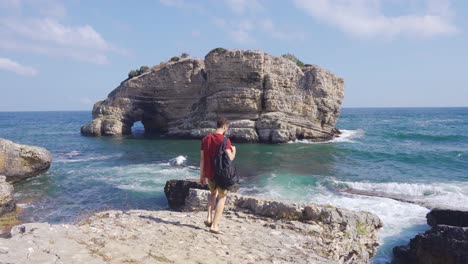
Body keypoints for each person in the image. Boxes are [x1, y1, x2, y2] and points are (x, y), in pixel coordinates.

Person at [200, 117, 236, 234]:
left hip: (209, 173)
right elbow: (230, 158)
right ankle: (214, 225)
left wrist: (202, 175)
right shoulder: (225, 140)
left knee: (212, 193)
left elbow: (202, 159)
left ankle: (209, 217)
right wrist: (234, 151)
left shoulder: (206, 139)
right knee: (222, 197)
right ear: (225, 127)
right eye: (227, 128)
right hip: (222, 174)